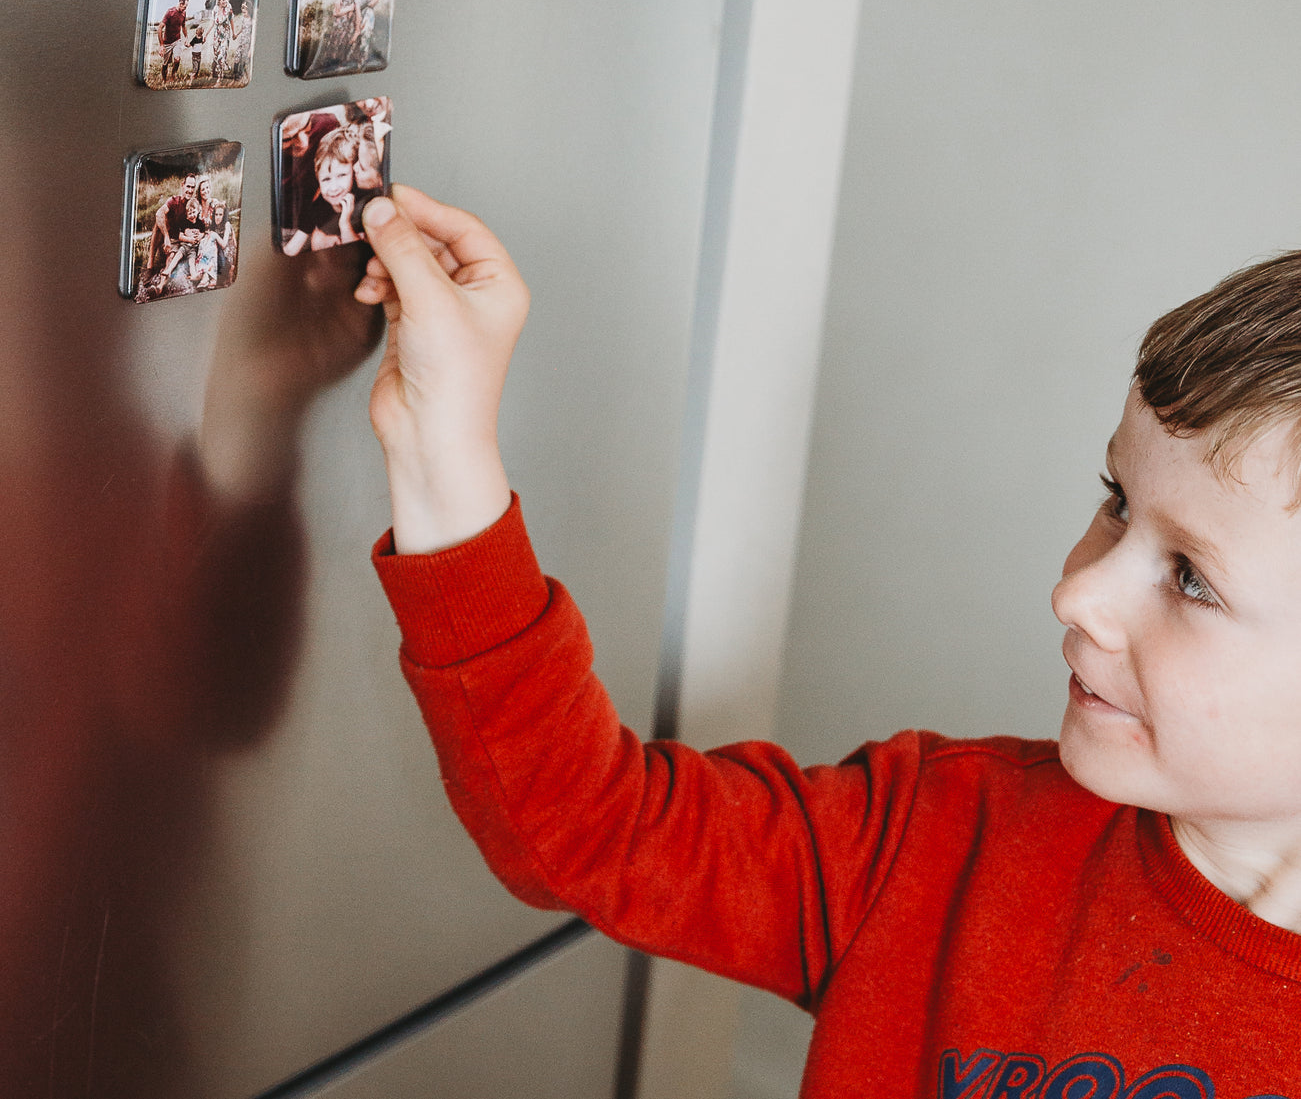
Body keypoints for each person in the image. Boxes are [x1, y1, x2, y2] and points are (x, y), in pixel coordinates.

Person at [351, 186, 1301, 1096]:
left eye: (1188, 576)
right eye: (1114, 503)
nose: (1075, 592)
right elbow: (586, 821)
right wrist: (441, 450)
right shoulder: (938, 840)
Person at [156, 0, 189, 84]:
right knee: (165, 64)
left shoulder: (183, 13)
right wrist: (161, 45)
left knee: (177, 59)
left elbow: (183, 25)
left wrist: (186, 37)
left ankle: (173, 75)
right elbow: (160, 28)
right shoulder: (170, 12)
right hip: (167, 42)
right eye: (185, 6)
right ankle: (164, 80)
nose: (185, 9)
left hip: (177, 40)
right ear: (180, 3)